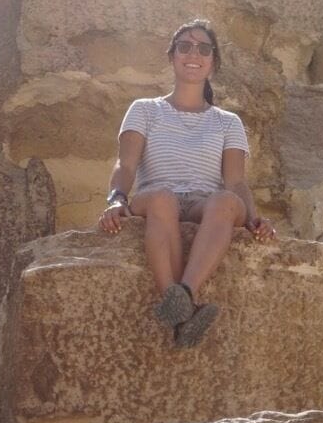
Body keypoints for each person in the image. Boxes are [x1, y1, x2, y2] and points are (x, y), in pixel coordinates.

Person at [97, 19, 276, 346]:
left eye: (204, 48)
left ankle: (183, 297)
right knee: (163, 198)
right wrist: (116, 199)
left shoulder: (228, 122)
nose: (194, 53)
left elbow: (235, 182)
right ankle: (179, 301)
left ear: (213, 61)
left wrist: (252, 218)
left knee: (225, 201)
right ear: (172, 56)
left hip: (200, 203)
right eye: (185, 46)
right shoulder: (144, 110)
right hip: (154, 196)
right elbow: (126, 163)